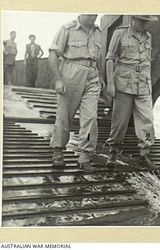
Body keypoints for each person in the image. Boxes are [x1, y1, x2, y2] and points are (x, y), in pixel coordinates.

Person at [49, 14, 103, 171]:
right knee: (64, 115)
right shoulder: (67, 29)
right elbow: (53, 55)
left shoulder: (99, 31)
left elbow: (98, 58)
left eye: (96, 13)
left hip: (92, 76)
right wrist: (58, 80)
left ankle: (84, 155)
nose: (93, 16)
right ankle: (58, 151)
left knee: (90, 117)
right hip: (71, 73)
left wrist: (101, 76)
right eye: (90, 12)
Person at [104, 15, 159, 170]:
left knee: (147, 120)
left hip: (143, 84)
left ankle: (145, 153)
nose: (145, 24)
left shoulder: (148, 36)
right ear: (133, 19)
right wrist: (109, 83)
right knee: (119, 121)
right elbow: (109, 58)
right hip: (124, 83)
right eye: (142, 21)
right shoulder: (120, 33)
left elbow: (146, 60)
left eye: (147, 21)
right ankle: (113, 151)